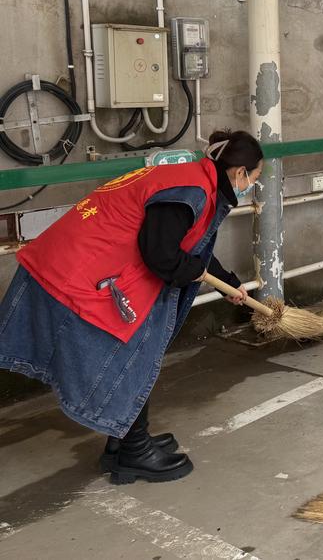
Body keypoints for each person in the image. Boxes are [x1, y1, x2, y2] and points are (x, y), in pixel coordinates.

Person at [0, 129, 262, 484]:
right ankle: (134, 450)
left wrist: (227, 281)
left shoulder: (194, 179)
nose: (251, 187)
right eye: (254, 179)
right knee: (133, 352)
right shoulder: (191, 189)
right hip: (74, 272)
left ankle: (123, 444)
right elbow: (162, 255)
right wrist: (196, 272)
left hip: (80, 264)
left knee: (138, 348)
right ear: (239, 173)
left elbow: (188, 246)